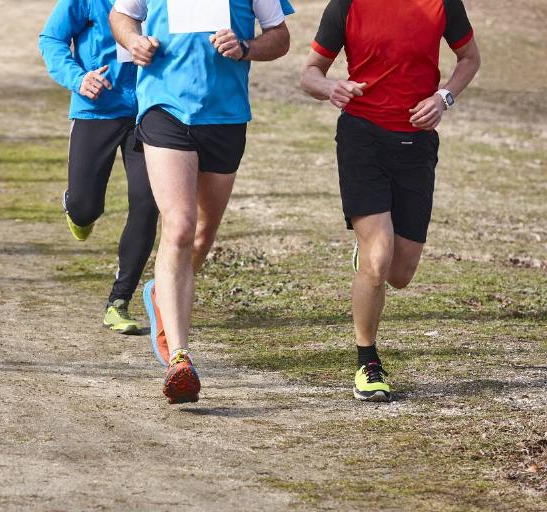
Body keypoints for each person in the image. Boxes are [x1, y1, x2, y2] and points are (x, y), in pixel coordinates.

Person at [110, 0, 291, 403]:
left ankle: (162, 293)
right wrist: (134, 42)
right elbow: (121, 17)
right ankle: (180, 356)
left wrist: (246, 47)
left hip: (225, 116)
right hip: (164, 109)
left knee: (203, 234)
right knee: (179, 225)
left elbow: (280, 38)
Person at [300, 0, 481, 401]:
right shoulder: (346, 5)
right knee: (379, 257)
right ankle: (368, 362)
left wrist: (443, 98)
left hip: (416, 144)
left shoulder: (442, 3)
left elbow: (469, 58)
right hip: (362, 136)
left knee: (399, 273)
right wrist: (332, 87)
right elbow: (310, 73)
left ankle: (368, 255)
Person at [39, 0, 159, 335]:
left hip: (151, 111)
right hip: (97, 106)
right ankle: (75, 208)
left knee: (147, 203)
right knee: (85, 206)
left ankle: (119, 301)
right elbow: (51, 39)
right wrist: (78, 79)